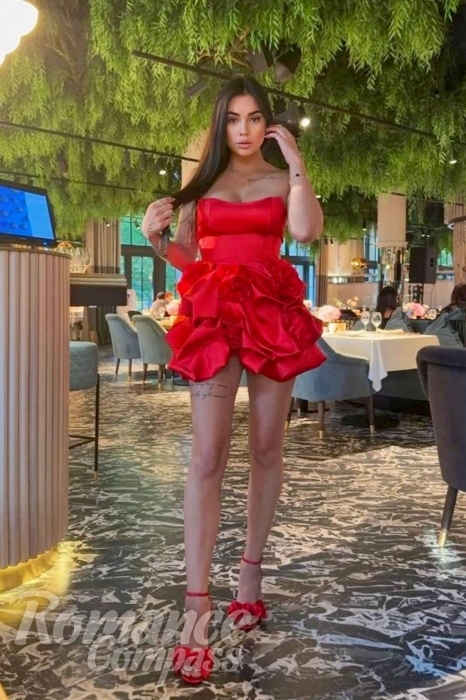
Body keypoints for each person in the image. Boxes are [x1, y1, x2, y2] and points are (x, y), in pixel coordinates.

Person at [141, 75, 324, 685]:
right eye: (232, 119)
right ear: (220, 125)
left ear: (267, 124)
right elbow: (191, 259)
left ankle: (250, 573)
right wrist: (156, 239)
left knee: (267, 447)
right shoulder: (202, 187)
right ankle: (196, 609)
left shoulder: (281, 179)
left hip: (271, 311)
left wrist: (296, 164)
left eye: (254, 118)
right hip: (216, 314)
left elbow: (304, 232)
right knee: (207, 456)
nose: (243, 130)